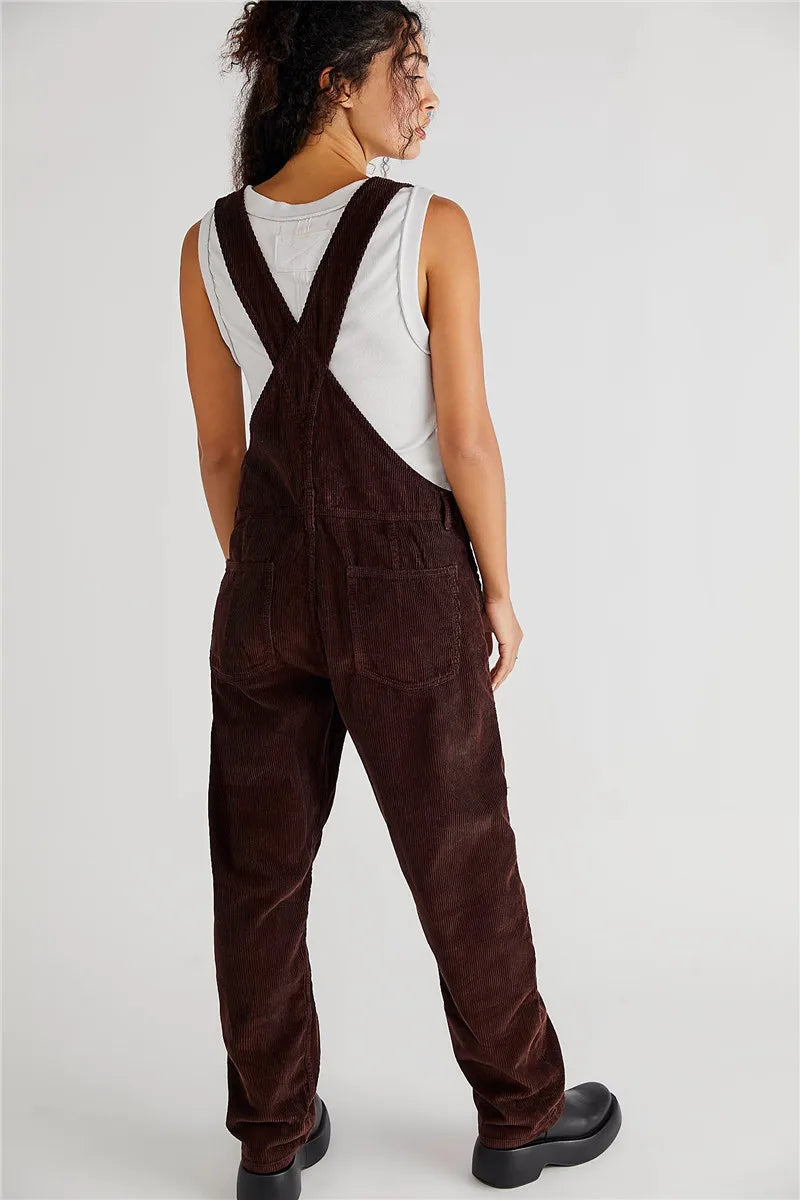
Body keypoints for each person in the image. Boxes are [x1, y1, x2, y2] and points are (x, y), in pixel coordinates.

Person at [179, 3, 621, 1197]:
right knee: (459, 849)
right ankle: (519, 1113)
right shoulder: (429, 226)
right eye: (406, 71)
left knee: (257, 873)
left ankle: (271, 1139)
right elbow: (464, 438)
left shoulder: (208, 243)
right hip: (406, 592)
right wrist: (499, 589)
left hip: (262, 595)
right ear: (335, 82)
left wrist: (275, 578)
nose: (425, 97)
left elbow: (220, 456)